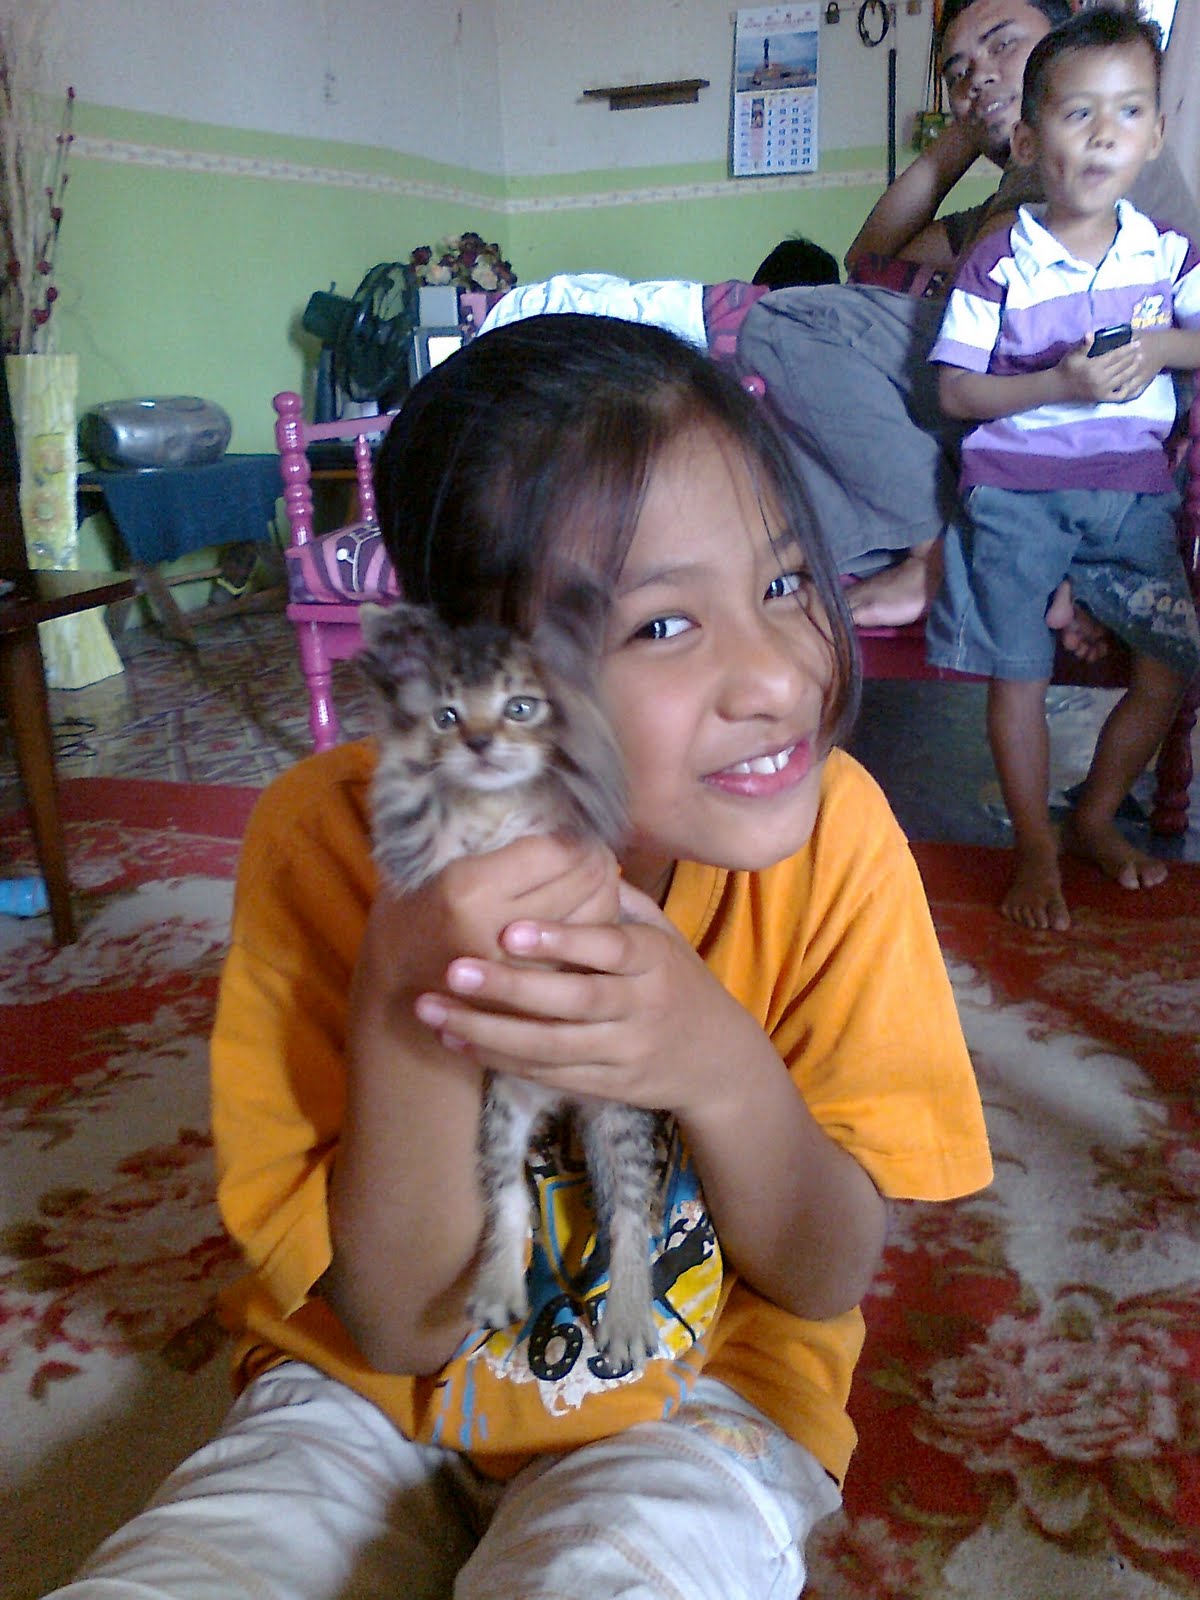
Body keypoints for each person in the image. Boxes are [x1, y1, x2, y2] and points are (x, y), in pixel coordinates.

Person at [45, 316, 993, 1600]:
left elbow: (824, 1272)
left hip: (704, 1395)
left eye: (782, 585)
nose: (775, 676)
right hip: (357, 1389)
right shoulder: (330, 843)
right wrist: (409, 988)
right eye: (664, 624)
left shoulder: (839, 839)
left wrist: (717, 1065)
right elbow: (396, 1323)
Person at [737, 0, 1200, 630]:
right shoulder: (1017, 193)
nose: (977, 75)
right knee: (800, 397)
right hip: (1057, 394)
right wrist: (968, 130)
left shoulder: (1091, 163)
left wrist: (1007, 115)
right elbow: (870, 259)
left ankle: (933, 553)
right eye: (958, 72)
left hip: (1094, 403)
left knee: (785, 324)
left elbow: (980, 292)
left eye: (1002, 45)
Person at [926, 8, 1200, 932]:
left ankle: (1091, 815)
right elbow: (956, 392)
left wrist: (1161, 347)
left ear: (1154, 134)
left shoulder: (1167, 254)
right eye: (1079, 114)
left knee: (1170, 665)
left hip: (1131, 497)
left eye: (1129, 111)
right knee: (1020, 677)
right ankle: (1034, 847)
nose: (1105, 134)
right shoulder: (999, 261)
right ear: (1031, 142)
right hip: (1016, 496)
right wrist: (1058, 383)